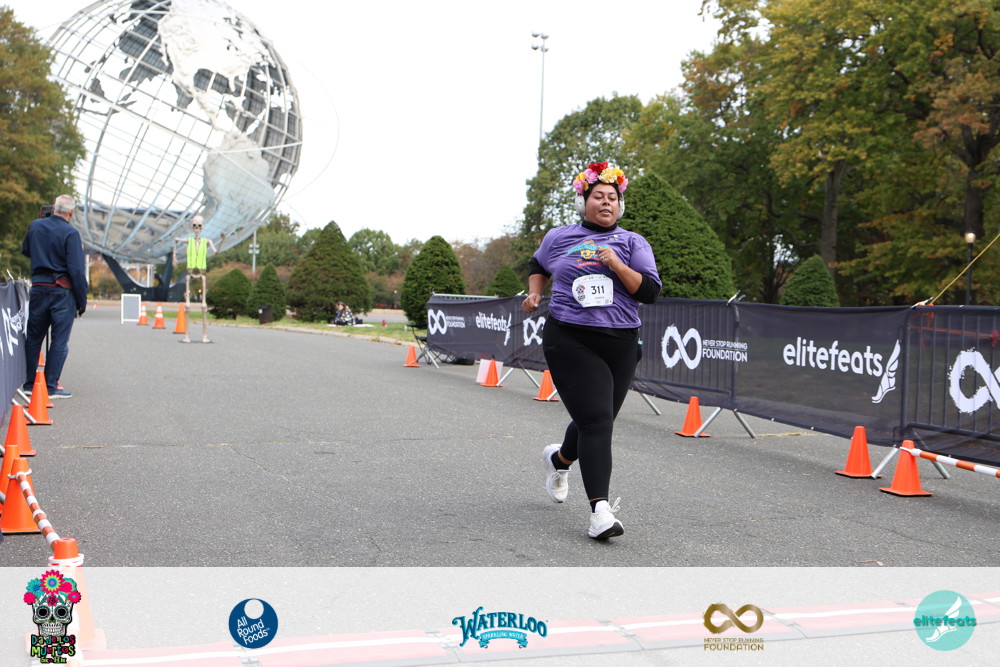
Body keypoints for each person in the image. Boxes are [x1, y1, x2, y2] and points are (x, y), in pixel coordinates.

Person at [522, 162, 661, 540]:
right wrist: (535, 292)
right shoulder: (560, 237)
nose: (606, 202)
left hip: (621, 341)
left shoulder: (632, 243)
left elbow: (649, 292)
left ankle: (559, 459)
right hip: (570, 337)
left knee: (596, 420)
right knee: (598, 421)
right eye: (598, 196)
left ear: (620, 205)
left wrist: (616, 263)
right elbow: (538, 264)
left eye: (612, 197)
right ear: (584, 202)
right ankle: (600, 512)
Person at [22, 195, 88, 398]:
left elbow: (26, 250)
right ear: (71, 213)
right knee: (59, 340)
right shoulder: (71, 233)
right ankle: (50, 385)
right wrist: (82, 300)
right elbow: (76, 270)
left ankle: (29, 384)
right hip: (62, 291)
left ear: (53, 207)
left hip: (39, 287)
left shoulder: (35, 225)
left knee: (34, 338)